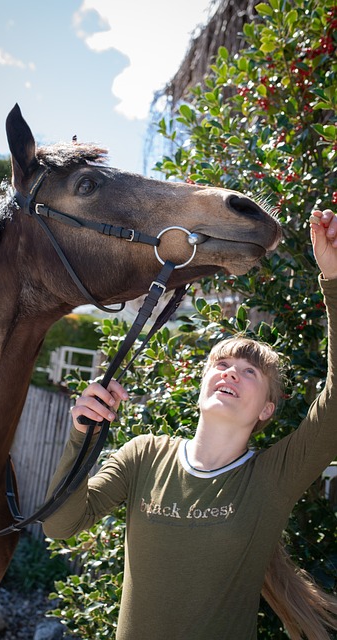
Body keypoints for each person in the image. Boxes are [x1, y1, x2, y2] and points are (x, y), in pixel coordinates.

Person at [43, 209, 337, 640]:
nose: (231, 372)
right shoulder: (143, 455)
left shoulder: (272, 479)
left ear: (266, 411)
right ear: (201, 386)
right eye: (222, 363)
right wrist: (82, 437)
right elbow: (60, 525)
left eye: (250, 372)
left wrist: (333, 281)